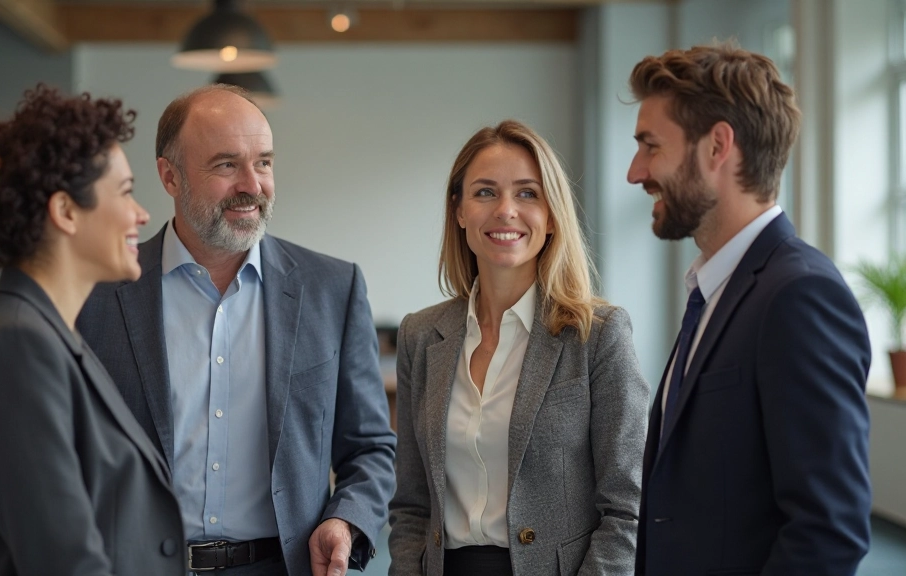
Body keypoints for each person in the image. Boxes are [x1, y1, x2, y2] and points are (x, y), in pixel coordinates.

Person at [76, 84, 396, 576]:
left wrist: (346, 520)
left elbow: (370, 448)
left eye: (264, 162)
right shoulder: (98, 291)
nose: (252, 184)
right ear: (170, 176)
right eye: (227, 165)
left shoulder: (333, 289)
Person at [627, 44, 872, 575]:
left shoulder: (800, 297)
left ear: (717, 145)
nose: (635, 171)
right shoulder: (713, 289)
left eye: (650, 145)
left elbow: (828, 531)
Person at [0, 85, 185, 575]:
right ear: (66, 211)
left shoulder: (47, 333)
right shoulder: (18, 343)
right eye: (127, 192)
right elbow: (63, 560)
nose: (142, 213)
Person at [388, 120, 649, 576]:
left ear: (551, 215)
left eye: (528, 193)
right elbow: (411, 504)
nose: (506, 210)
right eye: (485, 192)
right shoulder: (421, 335)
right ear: (460, 210)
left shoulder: (600, 335)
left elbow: (629, 507)